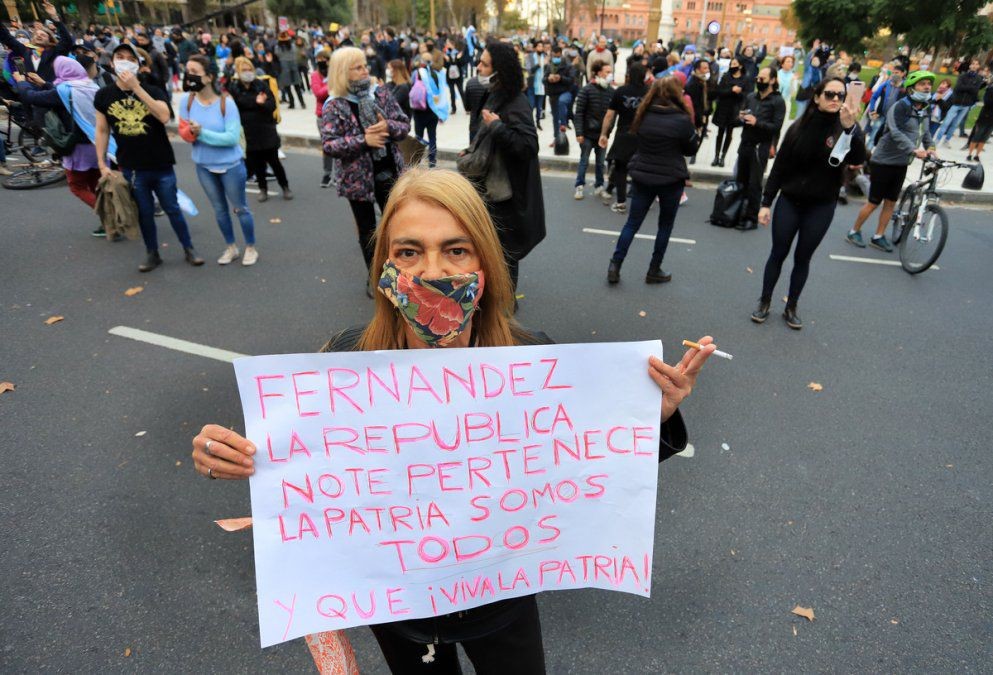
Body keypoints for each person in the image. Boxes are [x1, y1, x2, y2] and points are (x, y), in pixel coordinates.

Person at [190, 167, 714, 673]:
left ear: (484, 267)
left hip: (502, 601)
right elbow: (302, 473)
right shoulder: (342, 362)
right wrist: (229, 459)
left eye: (456, 249)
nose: (433, 271)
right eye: (409, 251)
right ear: (384, 269)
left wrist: (653, 416)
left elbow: (592, 468)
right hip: (398, 611)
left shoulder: (535, 362)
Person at [751, 78, 866, 330]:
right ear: (817, 97)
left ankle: (791, 306)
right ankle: (765, 301)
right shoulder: (799, 127)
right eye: (829, 94)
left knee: (803, 258)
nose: (835, 99)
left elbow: (858, 159)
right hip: (790, 201)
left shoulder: (847, 127)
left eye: (840, 95)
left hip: (821, 206)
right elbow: (779, 167)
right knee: (778, 253)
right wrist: (766, 202)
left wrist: (850, 130)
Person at [95, 42, 204, 272]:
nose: (125, 61)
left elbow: (164, 116)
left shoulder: (153, 89)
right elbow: (102, 130)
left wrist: (137, 88)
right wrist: (101, 163)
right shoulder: (104, 95)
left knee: (172, 208)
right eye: (120, 57)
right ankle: (152, 253)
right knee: (144, 213)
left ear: (138, 64)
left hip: (161, 163)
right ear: (112, 63)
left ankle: (189, 248)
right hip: (132, 167)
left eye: (130, 58)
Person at [320, 46, 410, 293]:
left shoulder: (379, 93)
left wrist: (388, 127)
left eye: (364, 65)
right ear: (343, 72)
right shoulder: (334, 105)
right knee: (368, 231)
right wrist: (364, 140)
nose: (365, 70)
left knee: (397, 227)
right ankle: (376, 277)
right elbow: (329, 145)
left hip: (390, 170)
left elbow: (404, 125)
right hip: (357, 180)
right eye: (358, 67)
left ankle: (400, 272)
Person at [606, 76, 701, 285]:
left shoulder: (643, 115)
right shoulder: (682, 120)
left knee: (632, 223)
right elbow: (691, 149)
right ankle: (654, 269)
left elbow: (637, 139)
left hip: (643, 174)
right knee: (665, 226)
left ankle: (615, 264)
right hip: (671, 178)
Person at [468, 42, 545, 295]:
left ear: (499, 69)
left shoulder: (516, 102)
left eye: (484, 64)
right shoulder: (494, 92)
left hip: (507, 197)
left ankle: (505, 305)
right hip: (492, 190)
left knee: (505, 254)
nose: (478, 67)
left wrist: (498, 128)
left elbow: (528, 146)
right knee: (493, 251)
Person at [179, 55, 258, 266]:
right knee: (220, 210)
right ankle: (231, 247)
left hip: (231, 166)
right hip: (203, 166)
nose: (189, 76)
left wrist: (201, 133)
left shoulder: (227, 104)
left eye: (195, 72)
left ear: (209, 77)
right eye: (187, 71)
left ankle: (250, 247)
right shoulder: (186, 102)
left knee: (240, 208)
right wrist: (190, 132)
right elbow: (184, 133)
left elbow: (231, 138)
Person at [847, 71, 937, 252]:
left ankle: (878, 236)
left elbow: (926, 134)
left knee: (891, 202)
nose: (927, 87)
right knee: (874, 201)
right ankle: (853, 231)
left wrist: (932, 149)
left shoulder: (925, 110)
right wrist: (913, 149)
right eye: (922, 84)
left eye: (929, 84)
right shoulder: (900, 107)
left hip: (901, 163)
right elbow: (895, 132)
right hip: (883, 162)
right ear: (912, 88)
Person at [13, 57, 103, 217]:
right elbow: (60, 94)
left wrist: (21, 82)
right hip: (99, 144)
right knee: (95, 184)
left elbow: (31, 97)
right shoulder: (91, 86)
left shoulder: (65, 91)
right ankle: (110, 221)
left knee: (77, 186)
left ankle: (109, 215)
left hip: (78, 148)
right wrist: (43, 83)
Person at [229, 56, 292, 202]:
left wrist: (261, 104)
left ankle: (285, 187)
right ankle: (263, 189)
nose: (248, 72)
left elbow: (271, 106)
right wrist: (256, 102)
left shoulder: (261, 85)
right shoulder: (234, 88)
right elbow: (236, 105)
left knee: (275, 162)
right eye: (244, 70)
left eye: (249, 69)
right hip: (248, 132)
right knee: (258, 165)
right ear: (238, 72)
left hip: (266, 130)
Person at [733, 66, 786, 231]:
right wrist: (741, 117)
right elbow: (739, 116)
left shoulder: (777, 101)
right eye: (758, 79)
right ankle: (736, 213)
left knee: (754, 184)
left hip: (760, 147)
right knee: (740, 180)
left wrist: (757, 123)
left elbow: (776, 127)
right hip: (745, 143)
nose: (759, 82)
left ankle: (751, 218)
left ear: (772, 80)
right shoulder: (751, 97)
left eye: (762, 79)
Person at [598, 61, 648, 214]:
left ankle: (621, 202)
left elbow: (609, 115)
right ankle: (643, 201)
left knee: (621, 168)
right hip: (643, 134)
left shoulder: (620, 91)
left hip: (624, 134)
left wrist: (604, 134)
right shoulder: (649, 92)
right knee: (642, 169)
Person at [0, 1, 72, 83]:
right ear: (32, 39)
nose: (39, 35)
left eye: (43, 35)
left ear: (50, 40)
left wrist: (54, 17)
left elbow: (67, 40)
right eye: (36, 34)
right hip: (31, 93)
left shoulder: (56, 51)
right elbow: (7, 38)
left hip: (52, 91)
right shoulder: (25, 50)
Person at [573, 60, 614, 200]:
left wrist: (607, 133)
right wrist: (579, 132)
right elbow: (578, 113)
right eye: (607, 72)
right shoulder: (587, 90)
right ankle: (579, 186)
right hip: (587, 134)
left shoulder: (611, 91)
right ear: (598, 72)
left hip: (602, 135)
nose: (610, 74)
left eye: (611, 72)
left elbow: (613, 115)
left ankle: (599, 186)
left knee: (600, 163)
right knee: (584, 161)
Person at [934, 58, 985, 147]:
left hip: (966, 104)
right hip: (956, 102)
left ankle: (946, 140)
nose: (974, 66)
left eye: (976, 64)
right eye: (973, 63)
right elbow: (958, 88)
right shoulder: (963, 76)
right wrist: (970, 87)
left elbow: (975, 90)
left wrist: (967, 88)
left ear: (978, 66)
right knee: (946, 122)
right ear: (970, 65)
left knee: (955, 124)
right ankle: (937, 140)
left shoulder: (979, 78)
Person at [412, 51, 449, 167]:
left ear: (422, 61)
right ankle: (432, 161)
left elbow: (412, 88)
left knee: (418, 138)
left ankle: (416, 161)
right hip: (433, 111)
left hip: (419, 110)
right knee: (432, 136)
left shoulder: (417, 73)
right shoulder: (437, 74)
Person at [711, 58, 746, 167]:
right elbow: (719, 92)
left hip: (734, 109)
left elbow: (746, 96)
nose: (732, 66)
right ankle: (716, 156)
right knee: (720, 132)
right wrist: (731, 90)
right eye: (731, 64)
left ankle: (723, 157)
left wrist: (739, 92)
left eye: (735, 64)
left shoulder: (744, 79)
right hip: (723, 108)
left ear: (740, 66)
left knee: (729, 133)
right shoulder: (726, 76)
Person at [864, 61, 906, 151]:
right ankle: (867, 153)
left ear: (903, 74)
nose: (894, 74)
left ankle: (879, 154)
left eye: (897, 73)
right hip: (881, 115)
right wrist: (872, 110)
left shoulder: (904, 87)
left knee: (886, 137)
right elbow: (874, 97)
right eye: (893, 72)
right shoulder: (886, 85)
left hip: (894, 118)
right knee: (873, 134)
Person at [311, 48, 334, 188]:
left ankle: (339, 175)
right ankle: (327, 173)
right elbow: (318, 94)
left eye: (324, 60)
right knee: (327, 146)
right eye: (319, 60)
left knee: (342, 145)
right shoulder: (315, 75)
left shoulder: (335, 73)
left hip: (336, 113)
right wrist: (330, 84)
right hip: (322, 115)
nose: (322, 63)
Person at [543, 45, 574, 138]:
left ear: (561, 54)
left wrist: (560, 78)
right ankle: (557, 138)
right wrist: (548, 79)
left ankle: (564, 123)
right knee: (555, 117)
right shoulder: (549, 66)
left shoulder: (568, 66)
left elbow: (571, 80)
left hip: (565, 92)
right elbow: (543, 79)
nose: (556, 58)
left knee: (562, 102)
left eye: (557, 56)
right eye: (554, 56)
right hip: (553, 94)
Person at [683, 58, 709, 165]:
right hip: (696, 118)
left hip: (702, 115)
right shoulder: (693, 84)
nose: (708, 70)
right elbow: (695, 105)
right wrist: (700, 120)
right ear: (697, 70)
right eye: (705, 68)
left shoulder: (702, 81)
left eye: (708, 68)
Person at [275, 31, 304, 108]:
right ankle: (302, 103)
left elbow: (277, 55)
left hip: (284, 69)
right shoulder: (293, 46)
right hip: (293, 68)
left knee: (288, 88)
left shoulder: (278, 48)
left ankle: (292, 103)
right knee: (297, 87)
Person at [966, 82, 993, 161]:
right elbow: (987, 102)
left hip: (991, 121)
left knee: (984, 138)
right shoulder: (989, 90)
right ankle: (969, 154)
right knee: (977, 136)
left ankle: (977, 155)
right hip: (984, 117)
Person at [524, 40, 547, 129]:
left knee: (539, 107)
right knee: (531, 105)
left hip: (541, 86)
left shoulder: (545, 57)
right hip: (532, 85)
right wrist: (539, 65)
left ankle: (538, 122)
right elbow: (529, 70)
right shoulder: (529, 57)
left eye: (542, 46)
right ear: (535, 48)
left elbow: (548, 70)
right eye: (539, 46)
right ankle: (530, 123)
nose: (540, 48)